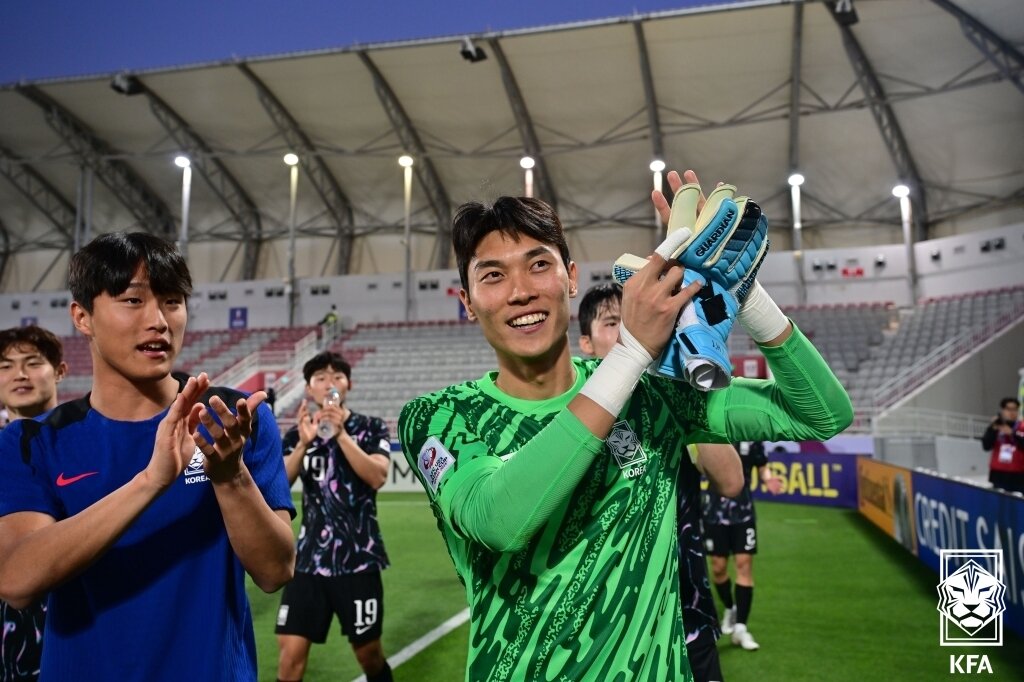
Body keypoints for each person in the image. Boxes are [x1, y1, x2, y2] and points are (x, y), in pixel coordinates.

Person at [397, 168, 853, 680]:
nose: (520, 291)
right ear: (467, 302)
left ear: (570, 278)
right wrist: (633, 351)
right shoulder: (438, 415)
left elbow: (821, 413)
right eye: (493, 275)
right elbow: (499, 521)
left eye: (538, 265)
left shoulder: (649, 391)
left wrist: (740, 289)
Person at [0, 232, 296, 681]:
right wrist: (151, 480)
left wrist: (229, 475)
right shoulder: (33, 440)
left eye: (172, 301)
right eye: (133, 301)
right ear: (83, 316)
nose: (159, 319)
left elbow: (276, 570)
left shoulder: (233, 417)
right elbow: (17, 579)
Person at [578, 284, 742, 682]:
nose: (626, 331)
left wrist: (686, 395)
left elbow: (731, 480)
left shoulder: (670, 397)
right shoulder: (573, 413)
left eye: (632, 320)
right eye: (613, 322)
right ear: (585, 343)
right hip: (609, 629)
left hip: (688, 613)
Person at [276, 351, 393, 682]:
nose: (330, 384)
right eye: (321, 379)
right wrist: (302, 445)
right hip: (308, 560)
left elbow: (377, 476)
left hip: (358, 559)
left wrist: (340, 434)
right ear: (309, 390)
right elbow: (279, 484)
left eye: (337, 377)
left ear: (349, 385)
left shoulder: (369, 428)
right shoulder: (297, 434)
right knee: (289, 657)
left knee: (369, 655)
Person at [0, 325, 67, 682]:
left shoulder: (86, 445)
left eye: (32, 362)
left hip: (71, 622)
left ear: (59, 370)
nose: (19, 375)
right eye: (5, 366)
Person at [703, 440, 782, 651]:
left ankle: (741, 628)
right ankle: (730, 607)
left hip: (743, 513)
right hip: (714, 513)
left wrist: (769, 479)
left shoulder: (753, 439)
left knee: (744, 565)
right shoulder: (713, 433)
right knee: (718, 569)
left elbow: (762, 467)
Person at [981, 397, 1024, 493]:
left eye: (1015, 409)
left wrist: (1012, 434)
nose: (1011, 412)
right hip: (999, 475)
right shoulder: (996, 426)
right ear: (1002, 410)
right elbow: (986, 446)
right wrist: (993, 428)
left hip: (1019, 476)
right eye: (1008, 409)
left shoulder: (1022, 427)